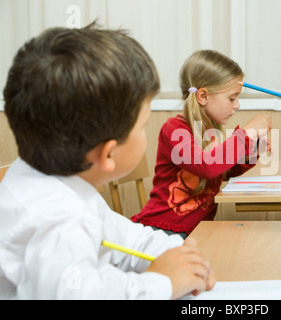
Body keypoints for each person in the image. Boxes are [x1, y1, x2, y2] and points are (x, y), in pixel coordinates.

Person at [0, 24, 214, 300]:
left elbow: (124, 239)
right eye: (142, 126)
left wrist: (174, 252)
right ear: (109, 154)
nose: (145, 133)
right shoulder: (53, 221)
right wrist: (163, 282)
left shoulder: (60, 182)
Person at [132, 50, 272, 237]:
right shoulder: (175, 130)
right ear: (203, 96)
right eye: (232, 98)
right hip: (164, 230)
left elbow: (220, 172)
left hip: (195, 232)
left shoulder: (208, 132)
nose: (237, 105)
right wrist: (245, 134)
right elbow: (206, 167)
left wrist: (252, 151)